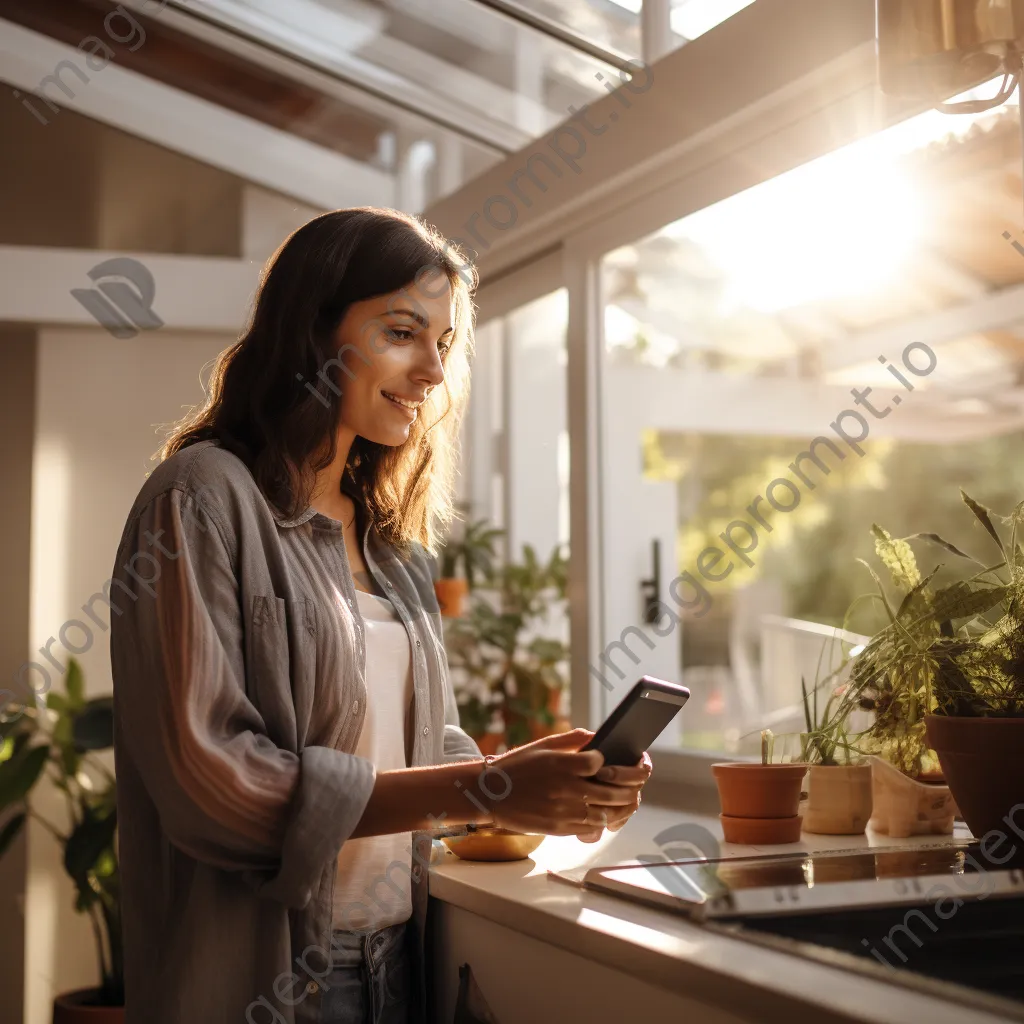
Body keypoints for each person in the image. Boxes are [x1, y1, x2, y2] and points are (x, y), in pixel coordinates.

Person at [109, 207, 652, 1024]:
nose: (433, 370)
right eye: (403, 331)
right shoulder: (202, 498)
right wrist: (489, 786)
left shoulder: (391, 546)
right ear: (312, 331)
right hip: (271, 969)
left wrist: (545, 777)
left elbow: (419, 751)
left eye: (443, 343)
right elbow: (212, 782)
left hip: (403, 960)